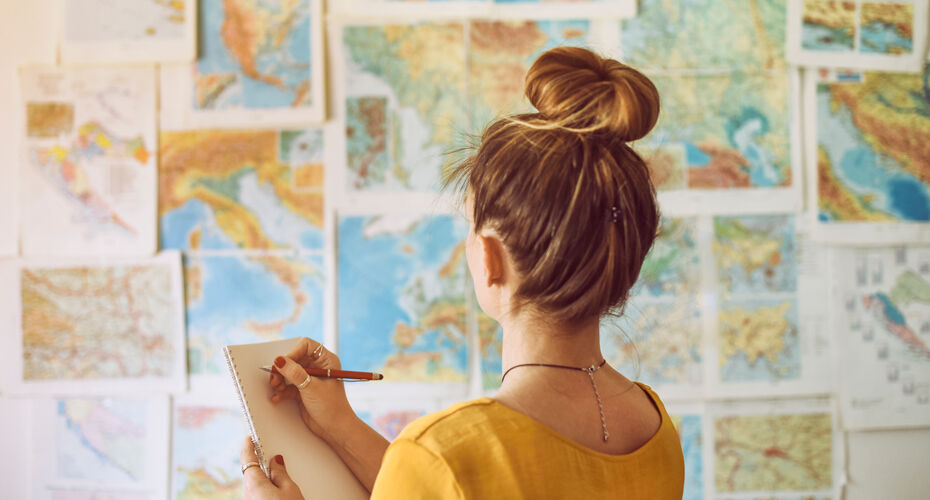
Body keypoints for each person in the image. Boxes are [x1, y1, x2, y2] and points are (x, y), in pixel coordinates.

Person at [239, 46, 685, 499]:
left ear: (490, 258)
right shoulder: (654, 424)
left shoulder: (444, 452)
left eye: (470, 227)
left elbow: (444, 478)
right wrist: (339, 425)